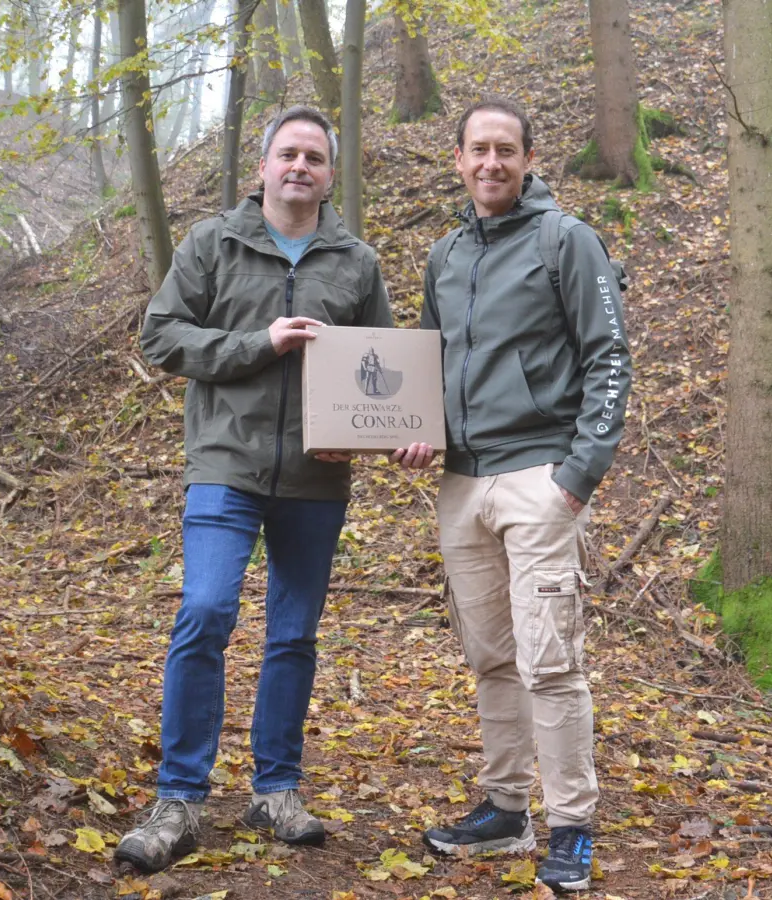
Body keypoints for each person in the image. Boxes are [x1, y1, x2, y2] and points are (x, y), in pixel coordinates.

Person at [117, 105, 393, 875]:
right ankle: (179, 797)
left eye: (314, 157)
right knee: (205, 609)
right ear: (263, 167)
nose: (300, 167)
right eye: (288, 154)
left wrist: (386, 434)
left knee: (294, 634)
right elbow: (161, 335)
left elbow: (385, 366)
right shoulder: (213, 242)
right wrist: (258, 343)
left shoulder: (355, 263)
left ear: (331, 174)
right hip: (225, 464)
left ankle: (276, 790)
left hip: (316, 477)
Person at [393, 97, 630, 893]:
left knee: (550, 660)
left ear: (529, 159)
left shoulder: (568, 241)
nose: (491, 163)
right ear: (456, 159)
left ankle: (571, 826)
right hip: (460, 482)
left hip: (539, 475)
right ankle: (504, 808)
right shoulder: (445, 256)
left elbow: (609, 359)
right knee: (491, 656)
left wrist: (576, 476)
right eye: (477, 150)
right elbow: (426, 365)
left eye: (506, 150)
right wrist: (418, 431)